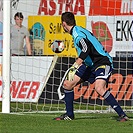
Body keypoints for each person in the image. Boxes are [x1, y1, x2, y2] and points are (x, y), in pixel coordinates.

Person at [54, 12, 129, 122]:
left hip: (102, 62)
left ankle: (122, 115)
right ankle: (69, 115)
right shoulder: (78, 30)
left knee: (99, 88)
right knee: (67, 84)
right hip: (90, 64)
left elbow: (86, 48)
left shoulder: (77, 34)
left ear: (64, 24)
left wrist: (76, 64)